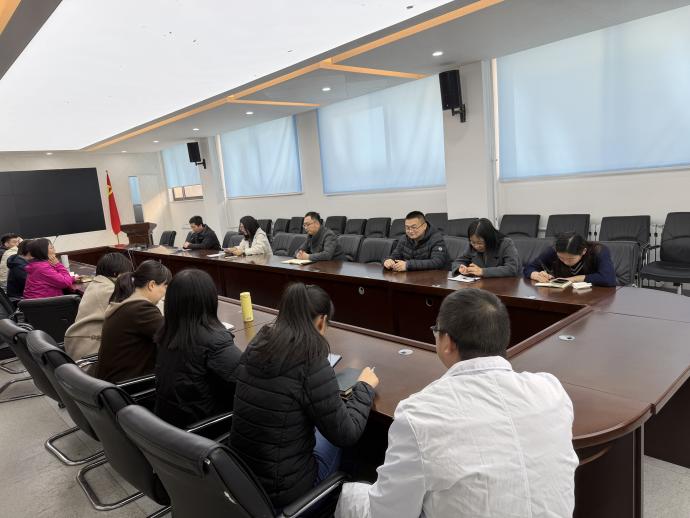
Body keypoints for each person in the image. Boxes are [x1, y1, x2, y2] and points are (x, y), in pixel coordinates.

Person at [335, 288, 578, 518]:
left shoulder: (420, 415)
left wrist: (348, 495)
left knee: (349, 495)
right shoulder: (551, 390)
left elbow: (388, 514)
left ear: (447, 342)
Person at [230, 283, 379, 509]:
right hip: (286, 494)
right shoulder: (310, 358)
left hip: (242, 478)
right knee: (347, 437)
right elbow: (347, 433)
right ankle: (338, 500)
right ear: (321, 321)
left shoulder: (259, 343)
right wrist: (365, 386)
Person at [154, 269, 242, 428]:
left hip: (168, 426)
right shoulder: (214, 340)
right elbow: (246, 380)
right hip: (203, 429)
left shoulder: (166, 333)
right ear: (209, 300)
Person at [95, 260, 171, 383]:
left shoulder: (126, 302)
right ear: (152, 285)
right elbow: (173, 337)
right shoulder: (141, 309)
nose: (165, 294)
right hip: (129, 386)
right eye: (165, 287)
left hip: (111, 383)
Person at [63, 253, 134, 363]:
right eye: (127, 274)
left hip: (79, 348)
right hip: (91, 357)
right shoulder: (109, 291)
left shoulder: (96, 284)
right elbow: (135, 313)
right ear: (116, 274)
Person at [524, 232, 617, 287]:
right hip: (562, 296)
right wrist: (536, 275)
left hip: (594, 298)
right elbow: (529, 268)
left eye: (570, 258)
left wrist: (574, 279)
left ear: (583, 251)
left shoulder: (599, 251)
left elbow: (609, 279)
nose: (565, 262)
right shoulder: (553, 251)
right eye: (561, 258)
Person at [450, 218, 521, 277]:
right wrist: (461, 268)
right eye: (473, 242)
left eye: (480, 243)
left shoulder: (505, 243)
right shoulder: (471, 246)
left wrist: (483, 271)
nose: (476, 246)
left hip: (506, 285)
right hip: (481, 284)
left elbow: (511, 269)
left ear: (489, 238)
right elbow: (458, 261)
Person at [383, 211, 449, 271]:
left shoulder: (436, 239)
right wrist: (388, 261)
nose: (410, 231)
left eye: (414, 227)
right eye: (407, 228)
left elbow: (437, 262)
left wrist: (408, 265)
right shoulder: (404, 239)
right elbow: (394, 255)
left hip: (433, 277)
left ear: (424, 226)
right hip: (410, 276)